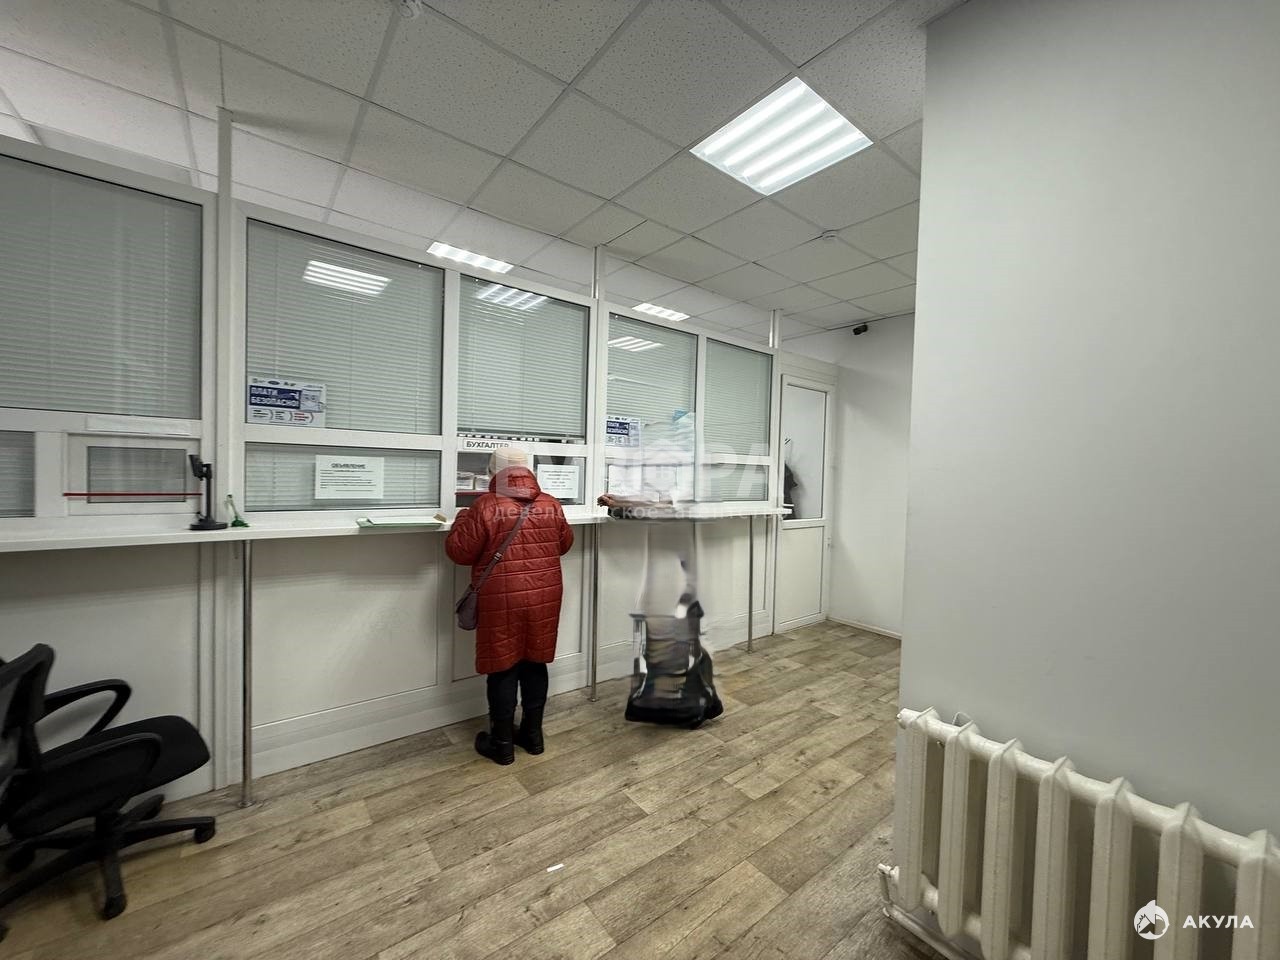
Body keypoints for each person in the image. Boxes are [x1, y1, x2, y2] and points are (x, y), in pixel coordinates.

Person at [446, 447, 573, 765]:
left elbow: (459, 552)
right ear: (528, 470)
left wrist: (462, 519)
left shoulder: (484, 506)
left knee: (503, 665)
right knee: (535, 661)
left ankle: (501, 744)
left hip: (502, 597)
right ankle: (533, 736)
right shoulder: (551, 503)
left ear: (493, 472)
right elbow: (564, 544)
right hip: (545, 595)